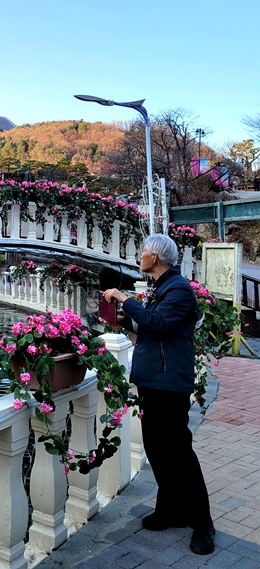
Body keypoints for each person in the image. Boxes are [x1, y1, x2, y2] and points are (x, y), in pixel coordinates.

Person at [102, 233, 215, 556]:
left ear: (155, 257)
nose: (140, 256)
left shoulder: (178, 289)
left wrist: (125, 299)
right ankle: (170, 510)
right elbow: (150, 327)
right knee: (156, 448)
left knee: (179, 452)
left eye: (143, 252)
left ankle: (203, 524)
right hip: (153, 380)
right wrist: (125, 320)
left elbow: (161, 323)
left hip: (169, 383)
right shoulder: (162, 287)